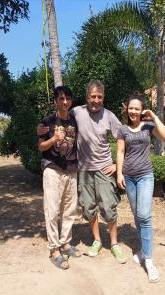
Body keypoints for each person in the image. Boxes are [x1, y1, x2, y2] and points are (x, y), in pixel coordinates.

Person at [71, 80, 126, 263]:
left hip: (104, 169)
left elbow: (123, 137)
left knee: (108, 208)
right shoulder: (77, 112)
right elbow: (60, 119)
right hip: (84, 170)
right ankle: (97, 240)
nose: (96, 100)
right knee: (88, 208)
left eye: (99, 97)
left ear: (103, 98)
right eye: (93, 96)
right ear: (87, 97)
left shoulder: (109, 116)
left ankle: (114, 243)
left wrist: (117, 166)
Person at [116, 93, 165, 282]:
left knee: (144, 216)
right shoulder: (122, 129)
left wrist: (153, 116)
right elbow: (120, 152)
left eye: (137, 108)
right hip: (129, 177)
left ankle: (149, 260)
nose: (133, 111)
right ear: (127, 109)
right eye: (131, 108)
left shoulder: (148, 126)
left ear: (142, 110)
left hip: (145, 175)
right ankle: (142, 249)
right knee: (137, 215)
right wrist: (119, 173)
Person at [38, 86, 80, 270]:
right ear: (55, 101)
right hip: (53, 170)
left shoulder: (75, 120)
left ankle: (65, 243)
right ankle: (54, 250)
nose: (65, 102)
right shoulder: (47, 121)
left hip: (71, 169)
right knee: (53, 210)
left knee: (69, 210)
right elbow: (41, 147)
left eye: (68, 98)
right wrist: (53, 139)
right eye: (61, 98)